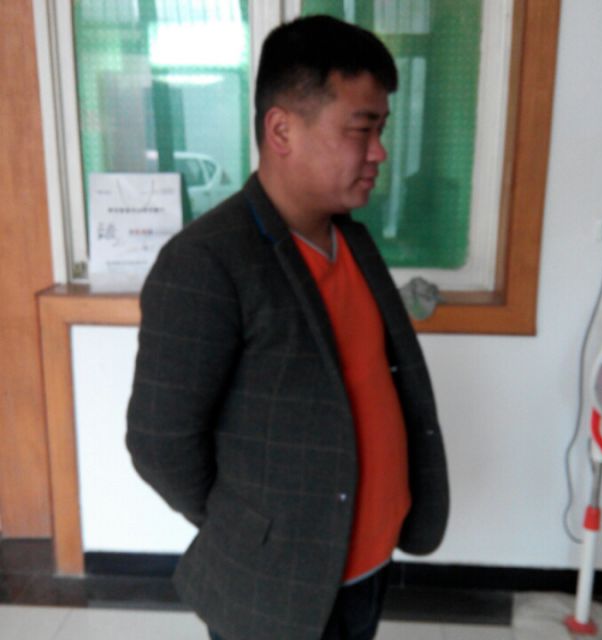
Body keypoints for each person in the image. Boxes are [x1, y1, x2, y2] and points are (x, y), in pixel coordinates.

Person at [126, 15, 449, 640]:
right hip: (278, 585)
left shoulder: (352, 240)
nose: (379, 152)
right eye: (361, 129)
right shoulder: (207, 261)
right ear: (281, 130)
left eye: (381, 129)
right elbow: (160, 443)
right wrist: (256, 531)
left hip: (368, 562)